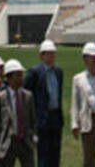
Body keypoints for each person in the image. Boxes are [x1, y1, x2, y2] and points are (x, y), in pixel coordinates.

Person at [0, 59, 37, 167]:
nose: (21, 78)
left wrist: (34, 137)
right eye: (18, 75)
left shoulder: (28, 96)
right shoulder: (0, 98)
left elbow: (33, 120)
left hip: (25, 142)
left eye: (21, 75)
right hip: (8, 144)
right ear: (9, 78)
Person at [24, 39, 64, 167]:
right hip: (42, 119)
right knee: (44, 154)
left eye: (53, 53)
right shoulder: (34, 72)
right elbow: (26, 94)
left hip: (56, 117)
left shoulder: (58, 72)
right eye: (49, 53)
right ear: (42, 55)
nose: (52, 56)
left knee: (55, 153)